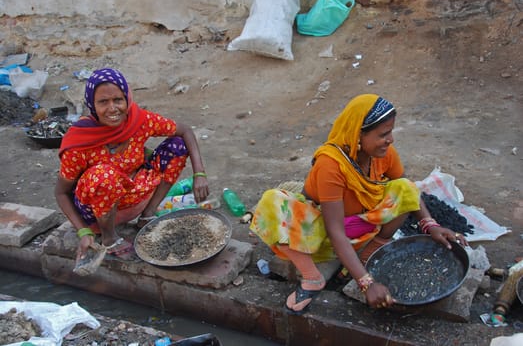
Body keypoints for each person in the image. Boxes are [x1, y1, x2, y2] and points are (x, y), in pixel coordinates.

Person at [249, 93, 468, 315]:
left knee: (405, 187)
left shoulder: (384, 154)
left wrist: (430, 225)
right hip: (319, 236)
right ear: (358, 135)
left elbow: (408, 191)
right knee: (272, 201)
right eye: (383, 134)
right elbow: (335, 231)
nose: (390, 139)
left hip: (362, 229)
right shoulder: (331, 165)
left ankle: (370, 250)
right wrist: (367, 283)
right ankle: (312, 277)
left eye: (390, 132)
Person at [55, 68, 209, 266]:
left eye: (118, 100)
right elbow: (61, 193)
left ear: (127, 99)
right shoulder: (80, 141)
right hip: (96, 212)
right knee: (104, 175)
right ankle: (110, 239)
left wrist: (199, 173)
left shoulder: (138, 121)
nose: (112, 109)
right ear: (92, 105)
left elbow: (184, 130)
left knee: (177, 146)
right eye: (103, 102)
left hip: (134, 195)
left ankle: (147, 216)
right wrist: (83, 231)